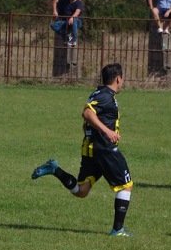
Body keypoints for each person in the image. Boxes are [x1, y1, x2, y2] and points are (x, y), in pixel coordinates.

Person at [31, 63, 133, 237]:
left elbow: (88, 119)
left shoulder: (98, 92)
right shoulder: (106, 95)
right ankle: (118, 229)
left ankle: (55, 169)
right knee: (126, 186)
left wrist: (90, 130)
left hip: (92, 148)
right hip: (105, 150)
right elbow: (87, 113)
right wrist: (107, 131)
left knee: (81, 191)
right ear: (118, 78)